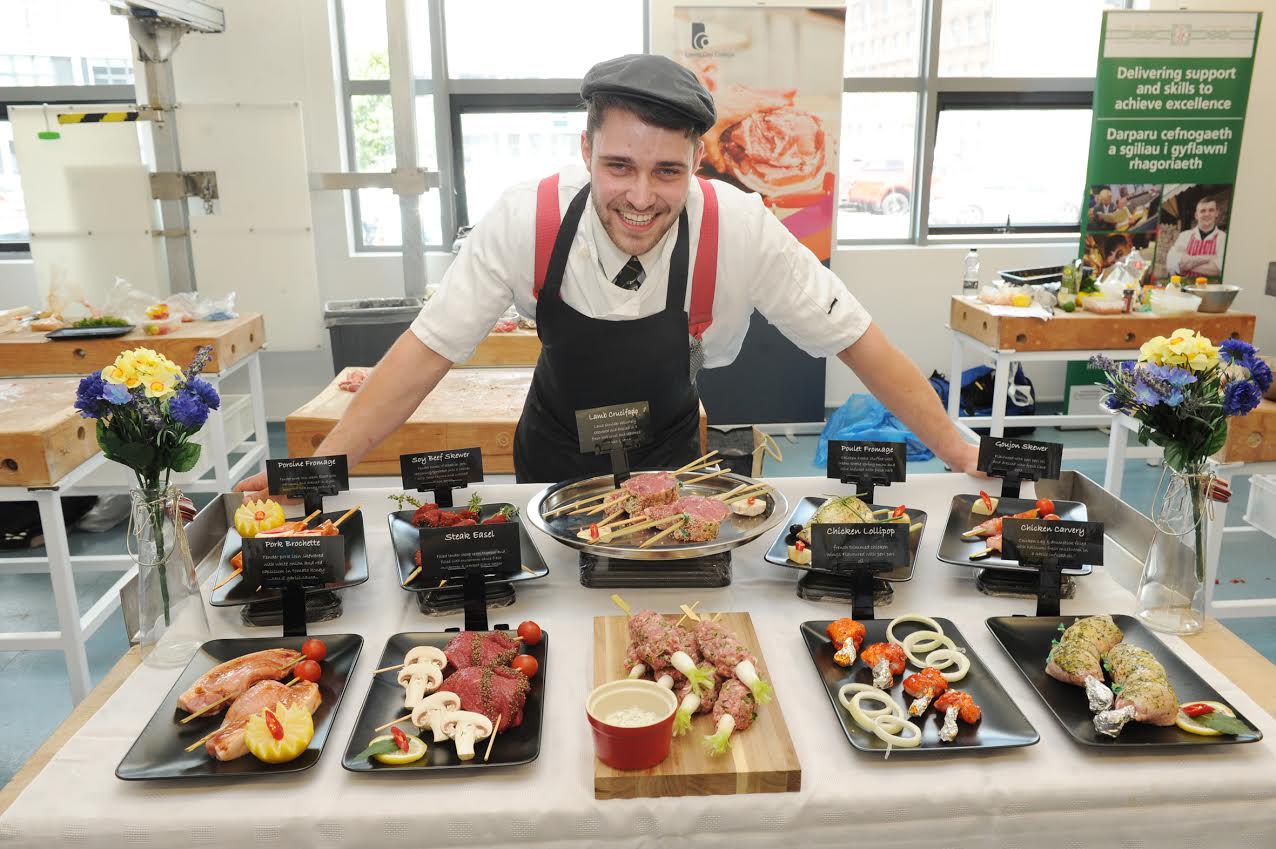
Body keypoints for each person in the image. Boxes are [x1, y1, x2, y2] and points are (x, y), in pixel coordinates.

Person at [236, 55, 977, 496]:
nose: (642, 197)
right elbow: (426, 352)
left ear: (697, 162)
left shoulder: (738, 226)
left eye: (668, 171)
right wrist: (318, 469)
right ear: (584, 149)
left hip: (674, 456)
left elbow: (855, 338)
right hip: (553, 453)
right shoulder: (526, 219)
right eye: (619, 165)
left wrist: (960, 451)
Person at [1165, 195, 1226, 278]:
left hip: (1211, 289)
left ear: (1217, 213)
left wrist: (1187, 262)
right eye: (1203, 211)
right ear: (1196, 215)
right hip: (1185, 288)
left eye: (1211, 210)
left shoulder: (1223, 238)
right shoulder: (1184, 236)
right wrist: (1209, 259)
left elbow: (1217, 270)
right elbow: (1174, 266)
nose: (1207, 214)